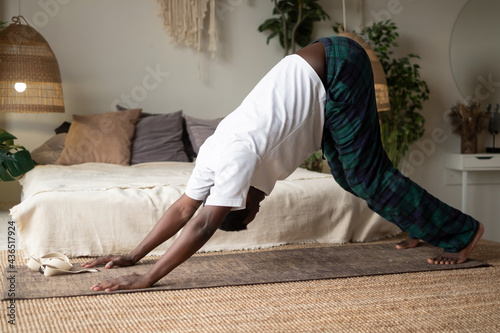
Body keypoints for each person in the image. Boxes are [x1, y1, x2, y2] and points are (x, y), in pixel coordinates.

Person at [83, 36, 484, 292]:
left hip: (339, 66)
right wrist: (133, 255)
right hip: (325, 79)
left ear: (239, 200)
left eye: (252, 211)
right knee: (349, 175)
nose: (259, 205)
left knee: (366, 175)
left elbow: (201, 221)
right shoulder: (211, 153)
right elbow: (182, 208)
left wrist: (146, 277)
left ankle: (462, 233)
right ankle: (422, 225)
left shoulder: (237, 160)